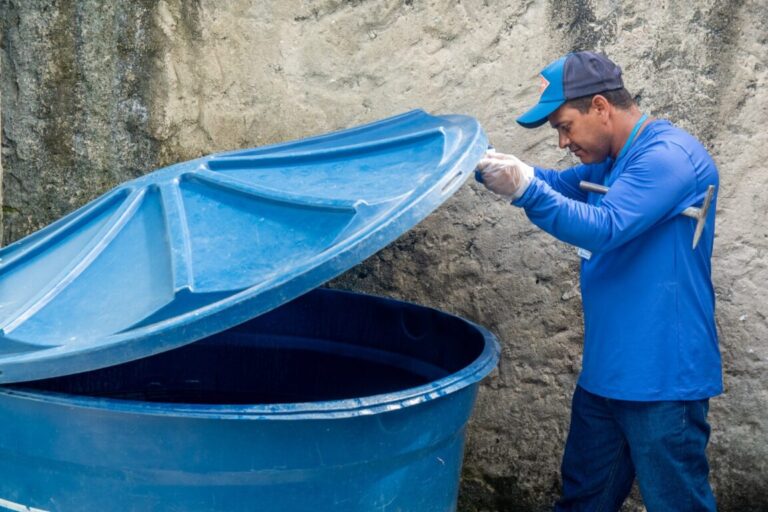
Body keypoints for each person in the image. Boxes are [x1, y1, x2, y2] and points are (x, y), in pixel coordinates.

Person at [476, 51, 722, 511]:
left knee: (677, 502)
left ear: (601, 108)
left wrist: (525, 189)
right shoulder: (614, 160)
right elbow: (557, 185)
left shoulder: (669, 158)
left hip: (662, 378)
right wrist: (486, 165)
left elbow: (604, 227)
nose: (564, 141)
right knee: (584, 499)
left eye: (565, 126)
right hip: (607, 374)